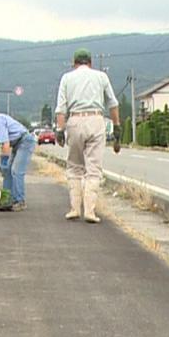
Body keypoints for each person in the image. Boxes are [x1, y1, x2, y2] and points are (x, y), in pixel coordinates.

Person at [55, 48, 120, 223]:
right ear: (90, 62)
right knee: (94, 168)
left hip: (75, 120)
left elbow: (61, 108)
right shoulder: (101, 77)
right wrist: (117, 127)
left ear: (74, 63)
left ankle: (74, 208)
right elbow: (113, 104)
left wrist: (60, 130)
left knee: (74, 166)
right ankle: (90, 211)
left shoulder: (67, 78)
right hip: (96, 119)